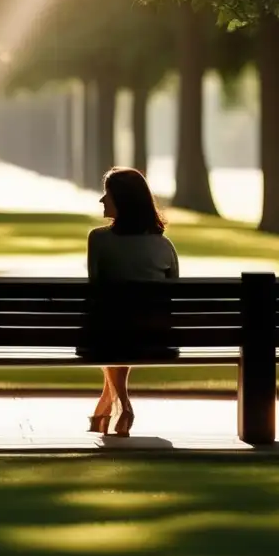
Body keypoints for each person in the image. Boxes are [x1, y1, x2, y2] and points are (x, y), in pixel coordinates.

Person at [85, 167, 180, 437]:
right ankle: (105, 409)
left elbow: (96, 290)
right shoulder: (164, 246)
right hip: (156, 338)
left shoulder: (98, 239)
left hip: (107, 336)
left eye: (108, 195)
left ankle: (122, 404)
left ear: (123, 201)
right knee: (121, 324)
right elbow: (173, 296)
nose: (102, 201)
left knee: (109, 323)